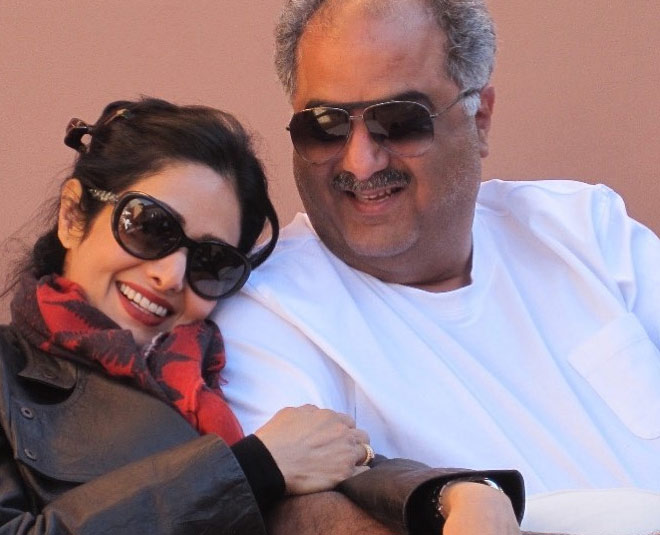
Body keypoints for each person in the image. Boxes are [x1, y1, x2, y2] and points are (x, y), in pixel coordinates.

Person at [213, 0, 660, 533]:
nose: (360, 162)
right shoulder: (267, 306)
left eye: (399, 122)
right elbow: (296, 508)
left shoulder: (583, 229)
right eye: (325, 126)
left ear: (480, 118)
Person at [0, 97, 523, 535]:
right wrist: (252, 469)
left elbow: (324, 450)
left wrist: (454, 493)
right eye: (151, 226)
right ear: (74, 215)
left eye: (211, 261)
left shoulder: (212, 367)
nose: (171, 276)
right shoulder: (7, 376)